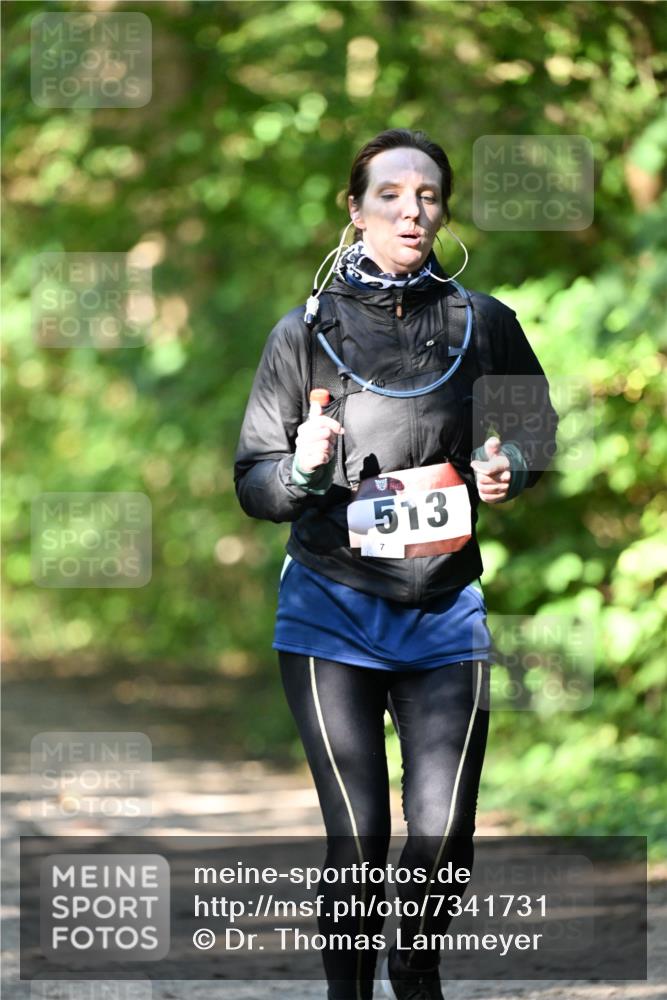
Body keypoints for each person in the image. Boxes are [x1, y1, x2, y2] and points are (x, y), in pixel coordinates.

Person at [234, 129, 558, 1000]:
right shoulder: (302, 333)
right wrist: (302, 467)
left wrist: (508, 468)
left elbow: (532, 436)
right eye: (390, 194)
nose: (411, 210)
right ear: (355, 207)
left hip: (444, 607)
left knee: (444, 829)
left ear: (442, 209)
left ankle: (414, 965)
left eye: (427, 196)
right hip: (330, 613)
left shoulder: (481, 322)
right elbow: (254, 485)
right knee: (360, 834)